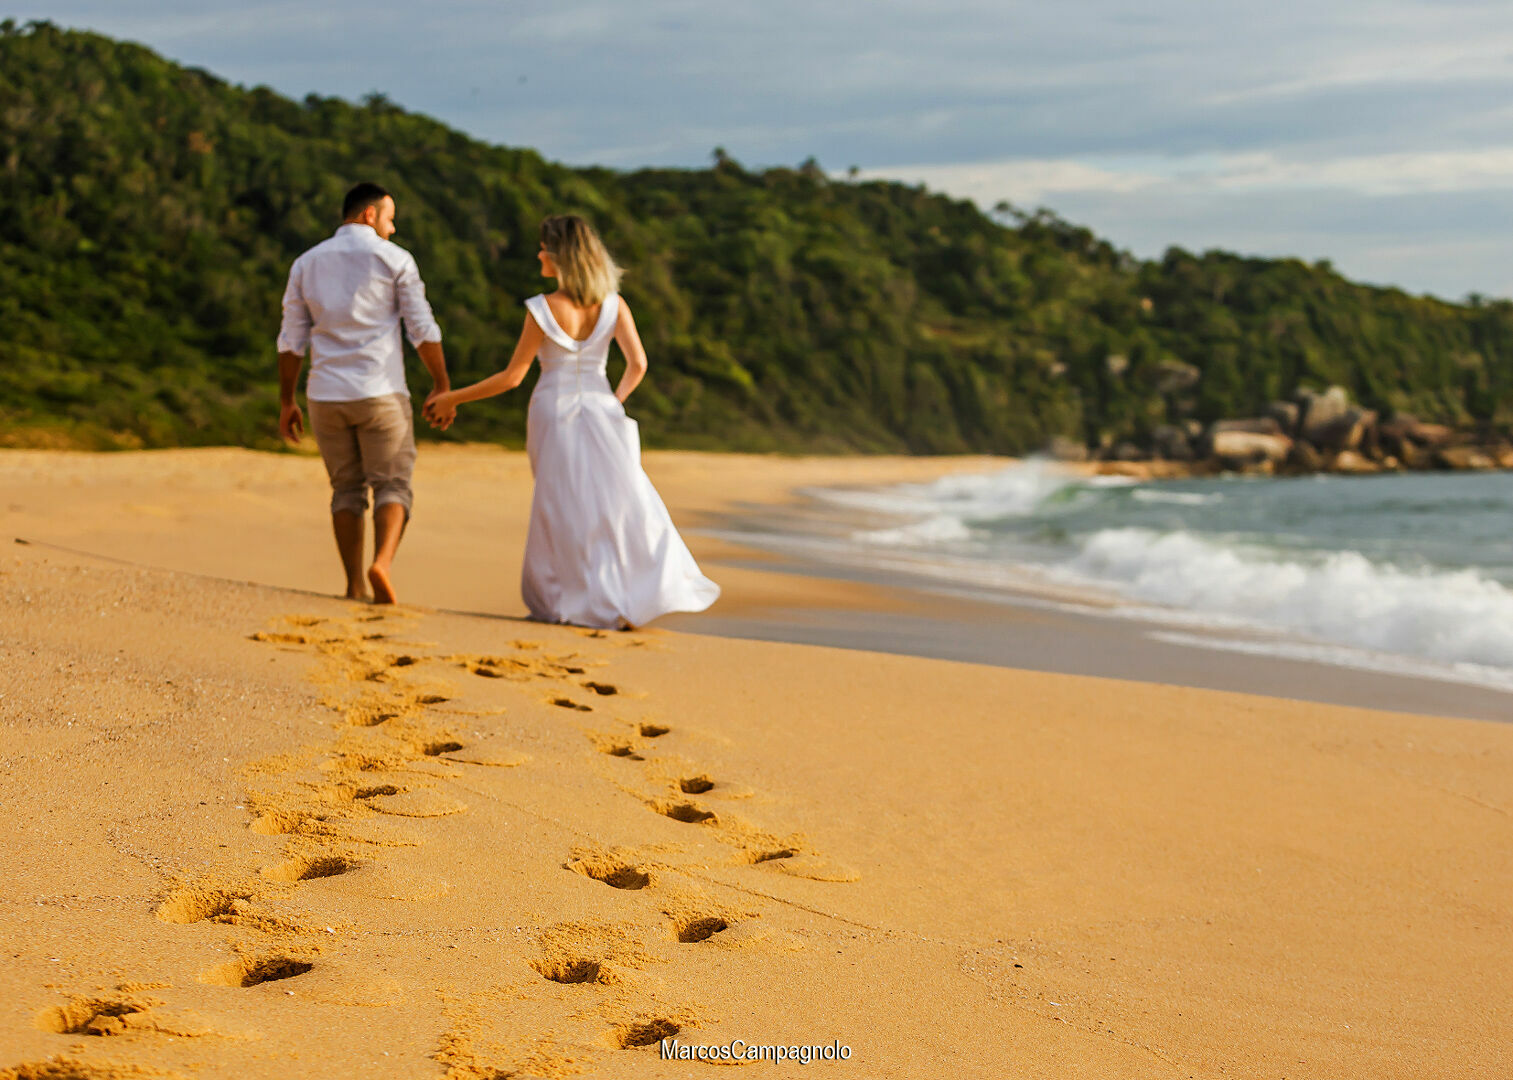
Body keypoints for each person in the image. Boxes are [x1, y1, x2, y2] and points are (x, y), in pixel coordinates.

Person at [424, 214, 719, 628]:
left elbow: (512, 378)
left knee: (559, 506)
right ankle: (617, 600)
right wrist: (613, 400)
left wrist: (451, 397)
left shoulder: (542, 308)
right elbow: (638, 363)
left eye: (545, 246)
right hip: (602, 409)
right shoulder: (614, 305)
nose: (539, 253)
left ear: (561, 254)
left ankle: (563, 601)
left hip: (553, 409)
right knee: (611, 507)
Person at [276, 181, 453, 604]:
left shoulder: (306, 263)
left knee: (346, 490)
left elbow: (290, 340)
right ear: (369, 215)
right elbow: (422, 329)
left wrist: (287, 401)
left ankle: (353, 585)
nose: (392, 229)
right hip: (381, 391)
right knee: (393, 485)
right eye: (390, 218)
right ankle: (383, 564)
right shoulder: (394, 259)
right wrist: (442, 384)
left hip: (326, 395)